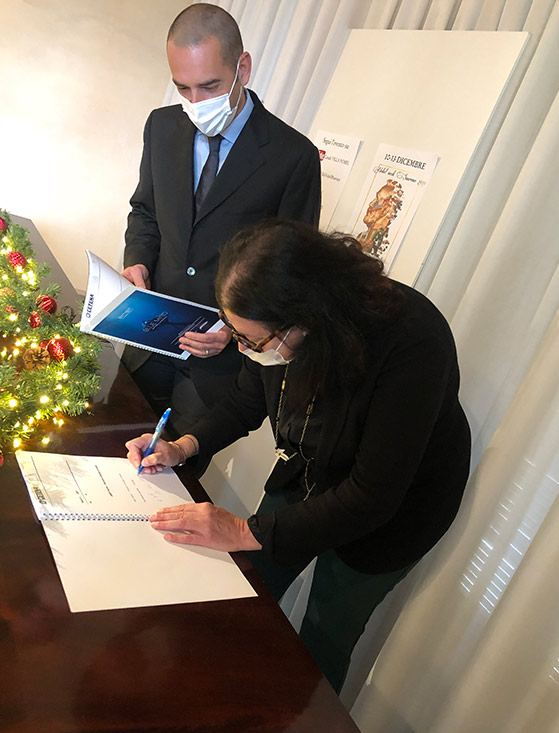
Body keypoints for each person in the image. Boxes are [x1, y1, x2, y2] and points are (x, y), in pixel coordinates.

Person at [125, 219, 471, 694]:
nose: (244, 349)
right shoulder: (273, 327)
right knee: (250, 588)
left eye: (253, 341)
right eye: (236, 333)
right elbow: (244, 401)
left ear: (305, 319)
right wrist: (182, 446)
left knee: (323, 635)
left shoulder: (413, 340)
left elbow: (372, 496)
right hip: (310, 468)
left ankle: (298, 726)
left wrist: (241, 530)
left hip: (394, 510)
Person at [121, 3, 321, 436]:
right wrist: (137, 259)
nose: (195, 102)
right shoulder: (161, 127)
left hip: (217, 369)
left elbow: (293, 272)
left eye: (210, 86)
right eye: (183, 88)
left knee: (179, 469)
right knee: (119, 443)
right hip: (148, 340)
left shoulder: (293, 156)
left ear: (242, 68)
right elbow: (146, 211)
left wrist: (232, 328)